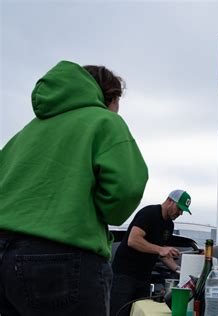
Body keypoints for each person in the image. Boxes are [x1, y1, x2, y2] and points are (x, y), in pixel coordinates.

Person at [0, 60, 148, 316]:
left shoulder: (24, 134)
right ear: (109, 98)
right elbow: (125, 190)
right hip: (62, 260)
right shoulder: (104, 121)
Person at [110, 189, 192, 316]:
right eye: (179, 208)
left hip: (144, 278)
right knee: (119, 313)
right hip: (124, 276)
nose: (180, 213)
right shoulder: (150, 213)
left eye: (183, 210)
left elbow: (162, 253)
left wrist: (179, 270)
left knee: (143, 313)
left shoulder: (169, 225)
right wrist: (161, 249)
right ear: (170, 200)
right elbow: (133, 240)